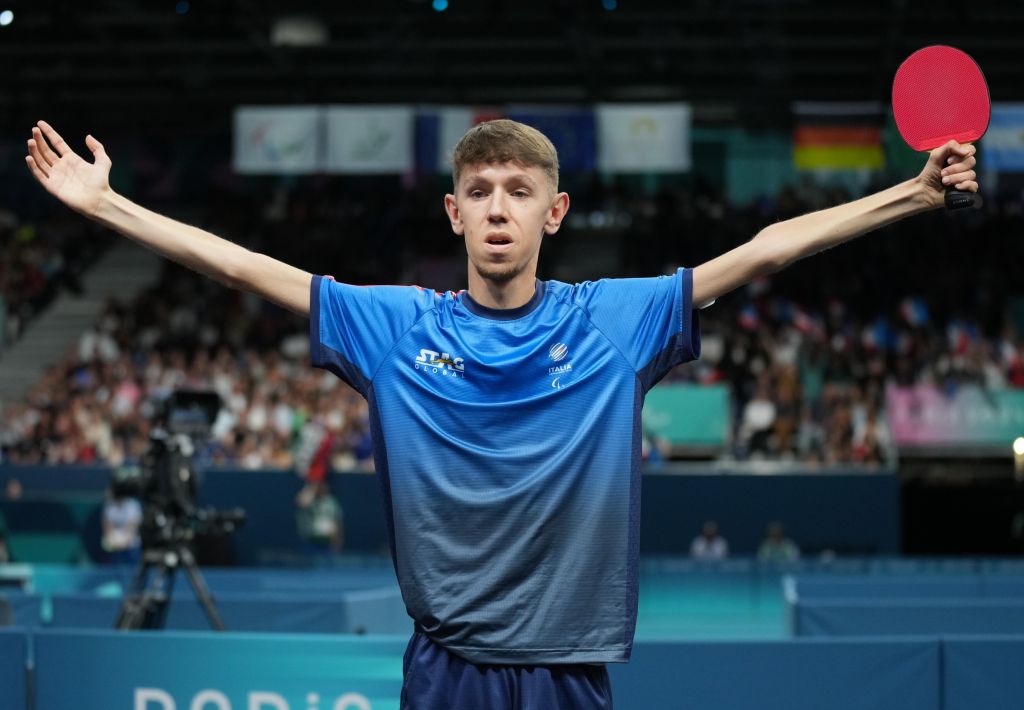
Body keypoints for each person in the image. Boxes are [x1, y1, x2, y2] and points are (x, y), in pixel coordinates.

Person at [24, 117, 978, 709]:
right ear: (453, 213)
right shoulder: (396, 327)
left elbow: (763, 250)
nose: (497, 208)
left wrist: (914, 193)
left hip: (568, 671)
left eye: (519, 192)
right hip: (447, 671)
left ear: (553, 214)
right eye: (478, 191)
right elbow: (242, 266)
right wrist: (109, 210)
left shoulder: (613, 321)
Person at [295, 479, 344, 558]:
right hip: (310, 541)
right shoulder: (309, 500)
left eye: (323, 485)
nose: (321, 488)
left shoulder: (331, 502)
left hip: (327, 542)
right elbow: (301, 502)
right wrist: (312, 488)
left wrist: (338, 539)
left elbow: (337, 521)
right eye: (319, 486)